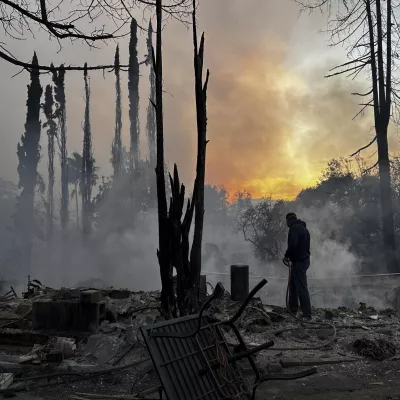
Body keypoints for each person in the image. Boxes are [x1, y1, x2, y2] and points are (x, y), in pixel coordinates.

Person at [283, 212, 312, 320]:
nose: (286, 223)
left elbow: (293, 245)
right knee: (293, 285)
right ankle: (293, 308)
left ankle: (307, 314)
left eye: (286, 221)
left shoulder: (294, 228)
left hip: (299, 262)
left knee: (301, 287)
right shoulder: (304, 229)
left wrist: (287, 255)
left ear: (289, 220)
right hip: (303, 260)